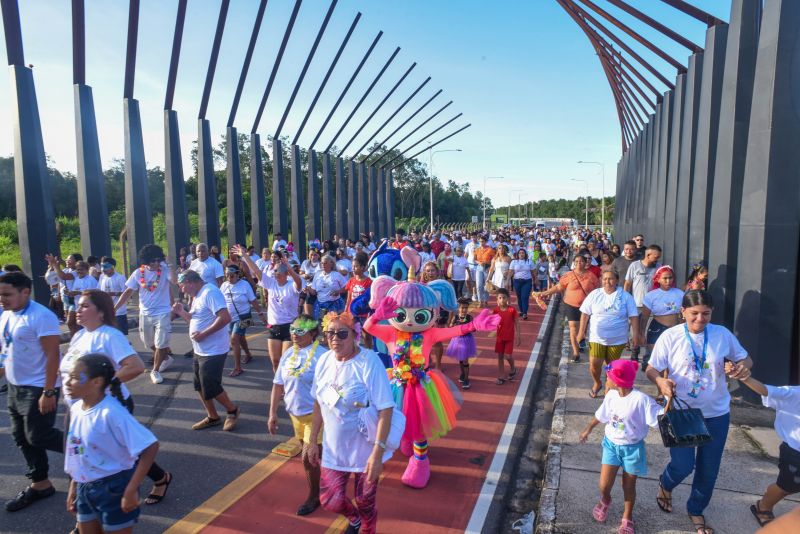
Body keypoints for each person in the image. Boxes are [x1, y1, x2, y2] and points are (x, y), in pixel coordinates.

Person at [646, 290, 753, 534]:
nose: (700, 319)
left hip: (716, 413)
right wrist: (660, 383)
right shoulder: (670, 336)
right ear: (683, 311)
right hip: (683, 412)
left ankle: (696, 509)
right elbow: (652, 369)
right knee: (683, 466)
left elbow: (747, 360)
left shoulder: (721, 334)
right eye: (694, 313)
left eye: (706, 314)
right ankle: (666, 483)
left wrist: (739, 368)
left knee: (709, 468)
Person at [61, 290, 173, 506]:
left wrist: (102, 386)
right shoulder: (80, 335)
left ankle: (85, 510)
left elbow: (135, 366)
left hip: (107, 407)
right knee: (80, 451)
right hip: (78, 408)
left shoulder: (109, 336)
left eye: (85, 306)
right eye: (78, 305)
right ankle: (160, 477)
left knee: (110, 451)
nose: (78, 310)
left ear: (101, 312)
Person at [307, 312, 395, 534]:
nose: (335, 338)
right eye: (330, 333)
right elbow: (318, 403)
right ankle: (353, 519)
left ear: (355, 335)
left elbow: (386, 408)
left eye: (341, 333)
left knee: (365, 501)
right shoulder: (324, 361)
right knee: (329, 500)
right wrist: (311, 441)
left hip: (366, 450)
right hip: (334, 450)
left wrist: (378, 453)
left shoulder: (369, 362)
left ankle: (366, 527)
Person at [65, 354, 159, 534]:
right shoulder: (76, 409)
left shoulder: (111, 413)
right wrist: (74, 486)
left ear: (96, 382)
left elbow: (150, 446)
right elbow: (78, 452)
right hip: (85, 486)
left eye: (75, 378)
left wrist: (131, 489)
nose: (68, 382)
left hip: (114, 487)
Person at [0, 272, 64, 512]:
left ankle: (87, 454)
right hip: (15, 386)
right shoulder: (6, 314)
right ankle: (41, 483)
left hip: (38, 386)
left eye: (7, 294)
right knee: (20, 436)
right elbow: (7, 350)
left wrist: (48, 392)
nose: (2, 299)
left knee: (39, 435)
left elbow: (52, 356)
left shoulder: (42, 316)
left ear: (25, 292)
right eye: (0, 294)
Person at [579, 359, 663, 534]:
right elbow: (601, 416)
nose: (606, 379)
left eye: (607, 376)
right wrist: (588, 428)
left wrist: (668, 397)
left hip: (632, 449)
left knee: (628, 486)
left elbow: (658, 418)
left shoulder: (642, 400)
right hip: (611, 446)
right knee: (604, 485)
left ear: (617, 380)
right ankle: (605, 499)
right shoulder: (611, 395)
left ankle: (627, 516)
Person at [725, 366, 800, 527]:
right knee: (787, 486)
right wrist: (744, 378)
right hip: (795, 452)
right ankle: (763, 506)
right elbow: (766, 391)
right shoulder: (795, 394)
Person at [268, 315, 326, 516]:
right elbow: (278, 384)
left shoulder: (322, 355)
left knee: (307, 459)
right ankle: (324, 473)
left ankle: (314, 496)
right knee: (312, 455)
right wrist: (272, 413)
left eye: (300, 331)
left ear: (312, 334)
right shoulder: (288, 354)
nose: (294, 333)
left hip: (316, 416)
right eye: (292, 329)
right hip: (295, 414)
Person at [172, 270, 240, 431]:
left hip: (214, 349)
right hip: (200, 349)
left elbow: (225, 317)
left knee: (211, 385)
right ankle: (212, 416)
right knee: (199, 385)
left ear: (189, 281)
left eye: (182, 286)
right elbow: (195, 319)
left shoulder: (210, 292)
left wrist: (204, 334)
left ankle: (233, 410)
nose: (182, 290)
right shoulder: (198, 295)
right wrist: (181, 312)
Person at [115, 245, 176, 384]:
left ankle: (155, 370)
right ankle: (164, 357)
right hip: (145, 312)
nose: (155, 263)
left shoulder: (165, 269)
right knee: (147, 341)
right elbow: (128, 292)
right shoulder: (138, 273)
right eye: (152, 261)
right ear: (145, 261)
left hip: (163, 311)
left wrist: (170, 263)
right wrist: (115, 308)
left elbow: (174, 281)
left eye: (157, 260)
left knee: (161, 341)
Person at [237, 246, 303, 372]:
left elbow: (298, 282)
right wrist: (244, 255)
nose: (274, 273)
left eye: (277, 271)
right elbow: (256, 271)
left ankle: (287, 387)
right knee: (275, 361)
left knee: (286, 361)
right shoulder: (271, 283)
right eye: (274, 271)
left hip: (290, 327)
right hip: (274, 327)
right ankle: (280, 386)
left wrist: (288, 266)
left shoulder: (292, 286)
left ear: (285, 273)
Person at [577, 270, 640, 398]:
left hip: (617, 339)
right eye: (605, 279)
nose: (608, 282)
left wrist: (636, 335)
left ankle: (608, 385)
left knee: (612, 366)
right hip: (596, 337)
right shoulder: (595, 294)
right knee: (594, 365)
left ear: (617, 280)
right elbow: (584, 314)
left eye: (611, 279)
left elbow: (634, 317)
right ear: (601, 280)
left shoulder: (626, 296)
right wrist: (581, 332)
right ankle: (597, 383)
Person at [535, 255, 600, 362]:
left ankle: (581, 340)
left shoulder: (591, 276)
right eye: (577, 261)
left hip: (587, 307)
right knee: (573, 327)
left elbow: (598, 291)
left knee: (583, 329)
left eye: (582, 261)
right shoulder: (568, 275)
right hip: (571, 304)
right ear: (574, 263)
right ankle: (576, 352)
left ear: (586, 263)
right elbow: (558, 287)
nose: (579, 263)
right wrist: (544, 293)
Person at [220, 265, 265, 377]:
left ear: (237, 274)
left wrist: (261, 315)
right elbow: (220, 301)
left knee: (234, 340)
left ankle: (238, 368)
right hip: (230, 318)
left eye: (231, 275)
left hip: (244, 317)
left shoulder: (244, 285)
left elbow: (253, 301)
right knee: (241, 338)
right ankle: (248, 354)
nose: (229, 278)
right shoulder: (224, 285)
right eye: (227, 275)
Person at [640, 266, 684, 370]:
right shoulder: (651, 296)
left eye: (670, 278)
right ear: (658, 279)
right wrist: (641, 334)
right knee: (658, 359)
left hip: (675, 329)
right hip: (657, 328)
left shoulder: (680, 294)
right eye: (665, 278)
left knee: (673, 359)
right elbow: (645, 317)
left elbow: (684, 314)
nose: (668, 281)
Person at [624, 244, 662, 363]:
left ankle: (647, 357)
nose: (657, 259)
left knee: (646, 331)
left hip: (652, 306)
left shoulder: (659, 268)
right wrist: (625, 300)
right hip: (636, 305)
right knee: (634, 331)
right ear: (648, 255)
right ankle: (635, 351)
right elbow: (627, 284)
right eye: (656, 257)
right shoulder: (635, 266)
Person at [47, 256, 99, 336]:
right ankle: (76, 339)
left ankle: (79, 338)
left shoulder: (90, 279)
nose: (79, 271)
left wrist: (77, 293)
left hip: (86, 306)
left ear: (86, 270)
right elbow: (53, 280)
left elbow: (93, 293)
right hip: (73, 302)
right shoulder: (77, 279)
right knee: (73, 324)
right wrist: (69, 293)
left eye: (82, 269)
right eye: (78, 269)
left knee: (72, 322)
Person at [445, 297, 477, 390]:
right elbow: (450, 326)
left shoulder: (469, 317)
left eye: (466, 308)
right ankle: (462, 373)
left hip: (467, 340)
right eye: (462, 307)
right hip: (457, 340)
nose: (464, 310)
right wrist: (451, 324)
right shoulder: (456, 317)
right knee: (460, 358)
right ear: (459, 308)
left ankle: (467, 379)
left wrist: (472, 328)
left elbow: (474, 328)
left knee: (465, 360)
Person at [493, 288, 521, 385]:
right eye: (500, 298)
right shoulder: (496, 310)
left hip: (509, 338)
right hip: (500, 338)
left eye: (504, 298)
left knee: (508, 356)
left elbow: (517, 323)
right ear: (497, 300)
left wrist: (519, 336)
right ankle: (501, 376)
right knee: (500, 357)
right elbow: (493, 322)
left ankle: (513, 368)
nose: (502, 300)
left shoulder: (511, 310)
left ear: (508, 298)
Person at [98, 257, 129, 335]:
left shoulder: (120, 277)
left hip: (119, 312)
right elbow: (98, 289)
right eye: (102, 266)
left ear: (112, 267)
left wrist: (113, 293)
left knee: (121, 335)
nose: (103, 269)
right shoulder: (102, 277)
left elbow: (126, 293)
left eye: (105, 267)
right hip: (105, 311)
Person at [509, 249, 534, 320]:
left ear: (525, 254)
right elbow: (511, 272)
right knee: (519, 297)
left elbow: (533, 271)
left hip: (527, 281)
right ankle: (522, 311)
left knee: (524, 297)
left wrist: (535, 280)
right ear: (518, 254)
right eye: (520, 253)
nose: (521, 254)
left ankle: (525, 313)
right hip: (517, 281)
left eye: (523, 253)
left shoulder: (529, 261)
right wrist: (507, 280)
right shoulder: (514, 262)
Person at [474, 236, 496, 308]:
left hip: (487, 268)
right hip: (479, 268)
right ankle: (480, 301)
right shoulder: (477, 249)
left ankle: (486, 300)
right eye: (480, 241)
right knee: (479, 285)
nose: (481, 243)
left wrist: (490, 265)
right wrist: (478, 262)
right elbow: (474, 259)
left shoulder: (490, 249)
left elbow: (494, 259)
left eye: (483, 241)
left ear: (486, 242)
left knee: (486, 285)